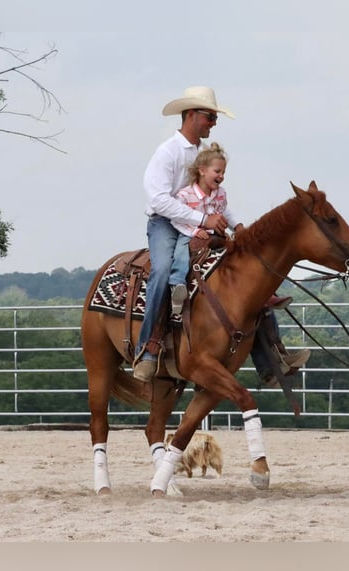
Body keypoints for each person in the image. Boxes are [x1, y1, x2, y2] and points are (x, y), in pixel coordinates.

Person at [133, 86, 309, 383]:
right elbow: (158, 200)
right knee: (162, 271)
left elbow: (216, 200)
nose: (213, 123)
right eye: (210, 117)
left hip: (200, 225)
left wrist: (235, 225)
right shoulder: (168, 152)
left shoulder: (205, 157)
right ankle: (147, 350)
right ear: (192, 115)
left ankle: (271, 356)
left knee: (246, 275)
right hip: (166, 224)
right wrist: (202, 219)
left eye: (214, 118)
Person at [168, 142, 244, 315]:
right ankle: (177, 284)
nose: (222, 176)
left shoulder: (220, 193)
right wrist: (194, 231)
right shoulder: (185, 194)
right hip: (190, 232)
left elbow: (225, 211)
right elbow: (176, 220)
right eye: (217, 172)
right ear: (202, 170)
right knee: (181, 251)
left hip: (215, 234)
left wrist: (237, 227)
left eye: (223, 172)